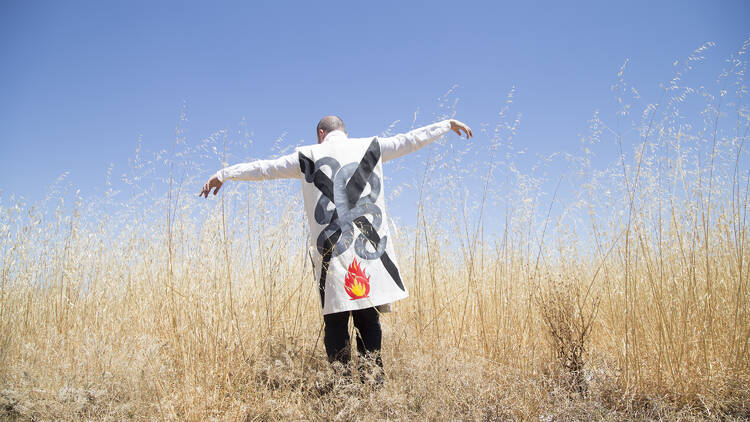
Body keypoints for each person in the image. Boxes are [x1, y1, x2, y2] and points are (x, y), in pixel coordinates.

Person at [199, 115, 472, 380]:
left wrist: (225, 174)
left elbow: (264, 169)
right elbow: (410, 140)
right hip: (369, 255)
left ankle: (341, 385)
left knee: (336, 322)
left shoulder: (307, 155)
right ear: (345, 131)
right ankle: (373, 380)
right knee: (369, 320)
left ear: (320, 134)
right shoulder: (370, 146)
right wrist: (446, 124)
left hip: (332, 256)